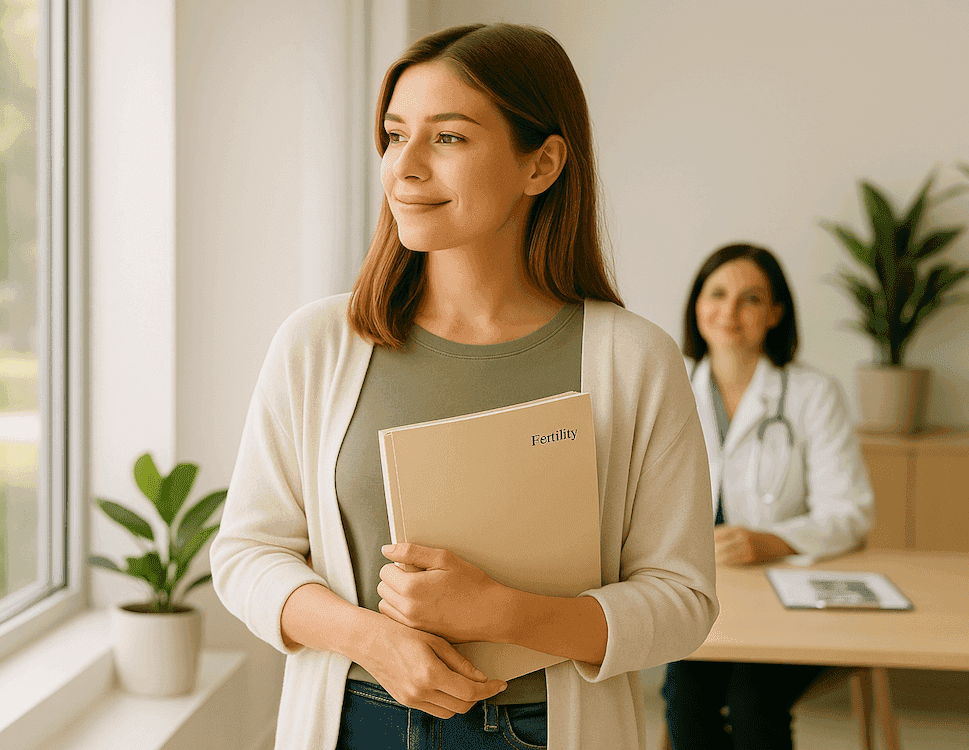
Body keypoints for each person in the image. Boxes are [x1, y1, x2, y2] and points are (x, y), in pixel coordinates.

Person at [211, 23, 718, 750]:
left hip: (546, 731)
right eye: (394, 134)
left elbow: (682, 602)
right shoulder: (318, 343)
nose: (404, 168)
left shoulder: (636, 360)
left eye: (448, 138)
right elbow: (244, 555)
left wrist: (506, 613)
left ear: (541, 164)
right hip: (353, 725)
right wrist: (372, 640)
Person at [662, 243, 875, 750]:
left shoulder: (812, 394)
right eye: (717, 294)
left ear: (775, 313)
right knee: (686, 702)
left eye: (751, 298)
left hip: (790, 601)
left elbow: (850, 512)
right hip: (702, 599)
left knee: (754, 702)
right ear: (697, 305)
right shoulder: (666, 389)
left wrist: (772, 541)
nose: (730, 312)